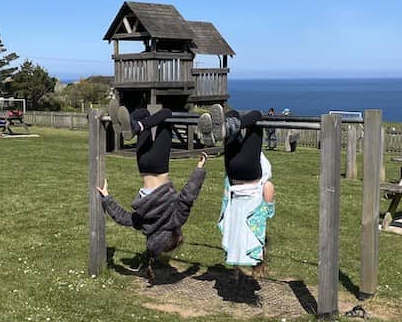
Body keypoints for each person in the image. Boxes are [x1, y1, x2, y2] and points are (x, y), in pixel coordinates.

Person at [98, 107, 208, 282]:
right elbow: (123, 218)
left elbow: (189, 194)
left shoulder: (176, 220)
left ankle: (134, 126)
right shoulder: (145, 225)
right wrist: (106, 197)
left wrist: (200, 168)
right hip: (143, 165)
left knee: (166, 114)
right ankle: (134, 126)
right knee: (143, 114)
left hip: (159, 165)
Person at [218, 110, 276, 278]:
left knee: (256, 119)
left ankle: (230, 126)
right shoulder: (238, 227)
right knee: (231, 118)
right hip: (233, 172)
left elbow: (268, 187)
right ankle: (226, 127)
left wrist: (268, 196)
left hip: (250, 173)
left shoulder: (262, 218)